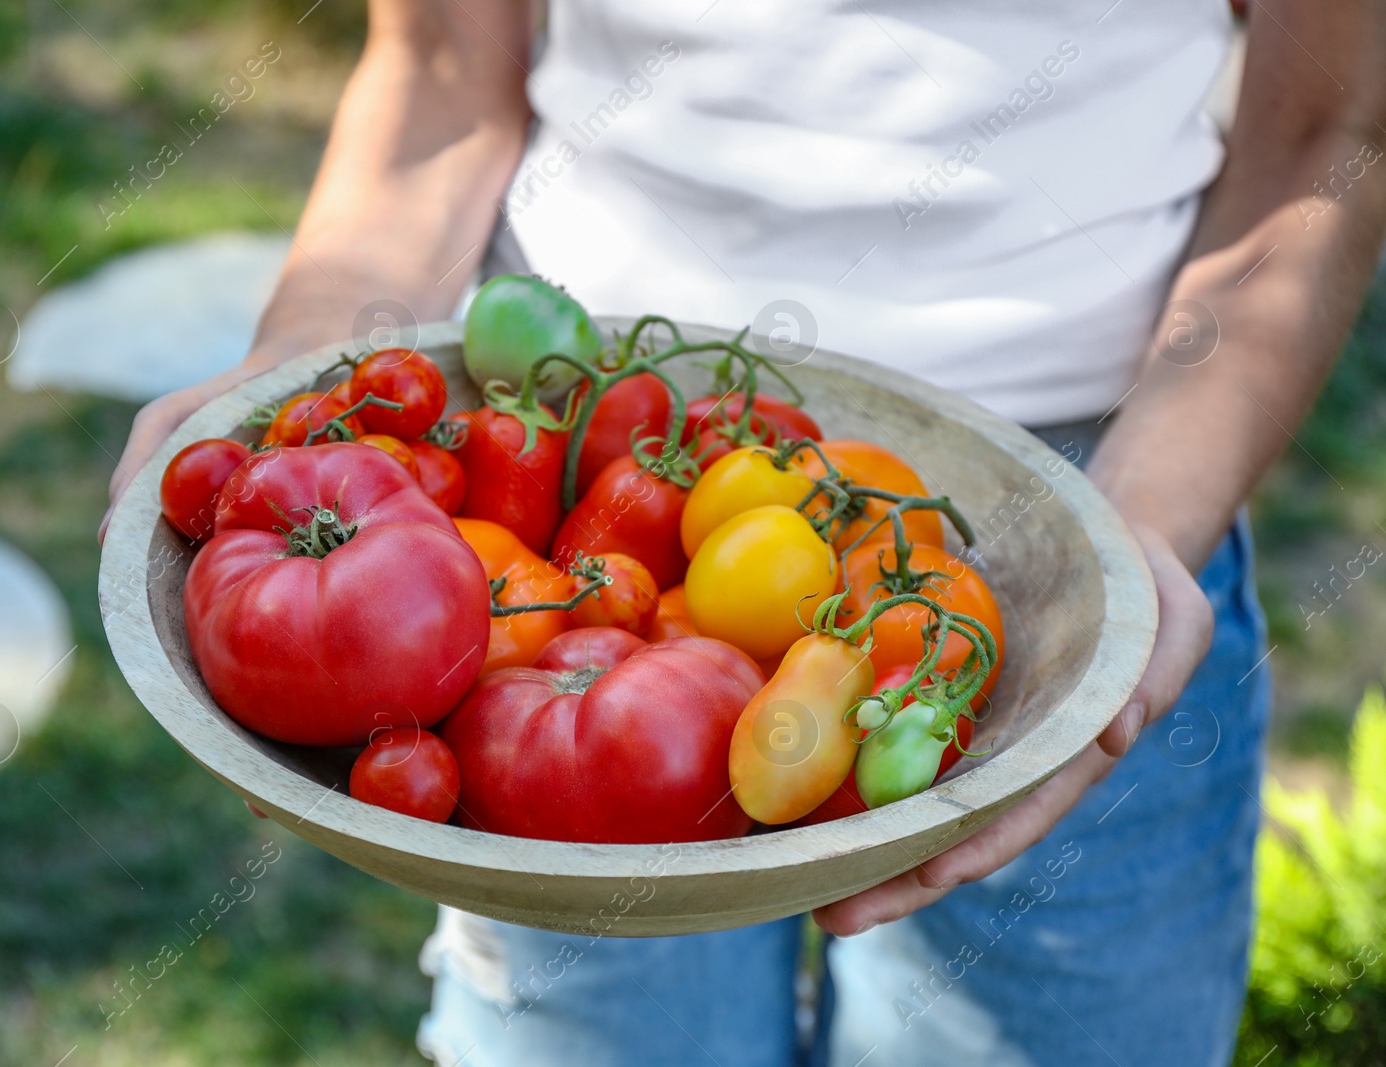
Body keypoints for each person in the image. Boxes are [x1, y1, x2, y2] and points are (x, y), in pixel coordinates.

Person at [104, 0, 1386, 1062]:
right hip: (570, 457)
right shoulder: (550, 556)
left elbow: (1330, 132)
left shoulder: (1055, 553)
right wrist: (304, 378)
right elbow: (439, 70)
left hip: (1076, 503)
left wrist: (1130, 538)